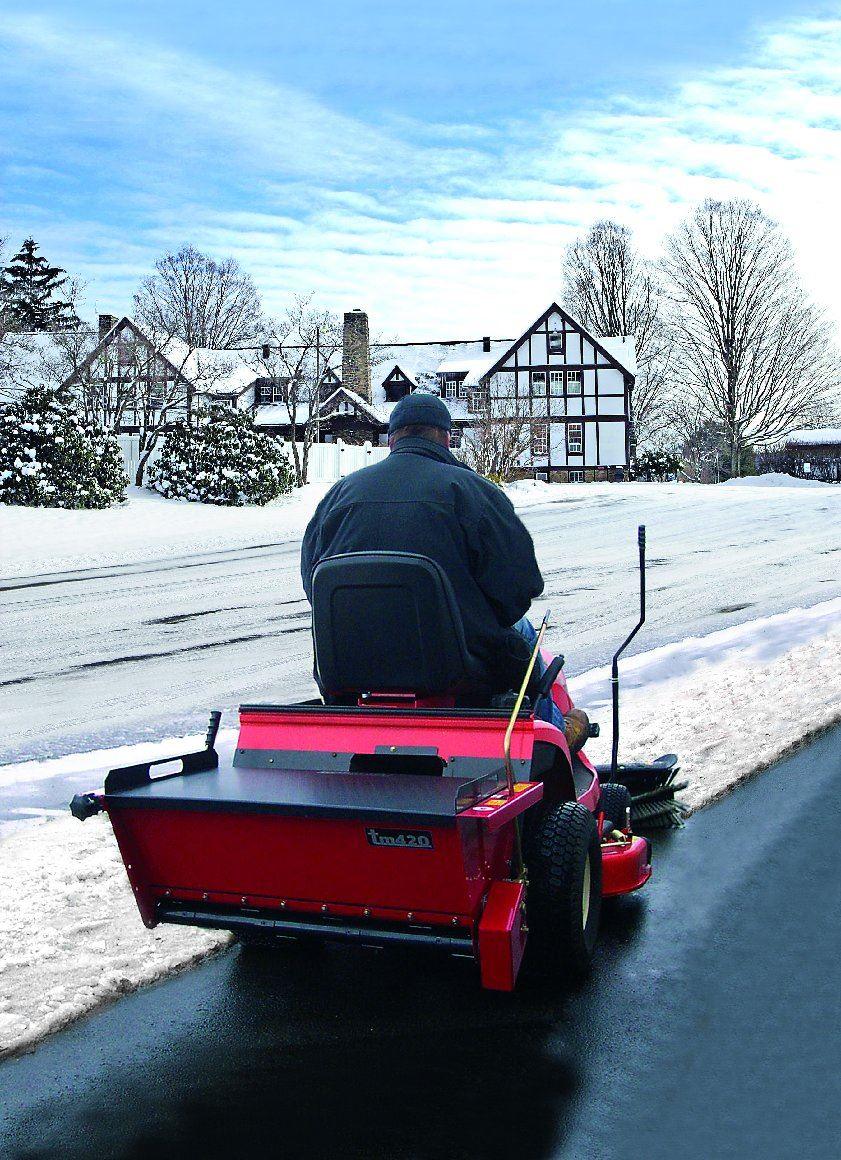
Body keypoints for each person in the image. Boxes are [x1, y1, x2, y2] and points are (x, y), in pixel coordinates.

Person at [301, 392, 563, 725]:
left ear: (391, 439)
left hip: (352, 665)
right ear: (446, 438)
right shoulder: (473, 491)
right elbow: (519, 588)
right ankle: (554, 733)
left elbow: (313, 584)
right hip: (458, 668)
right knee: (524, 634)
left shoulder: (338, 496)